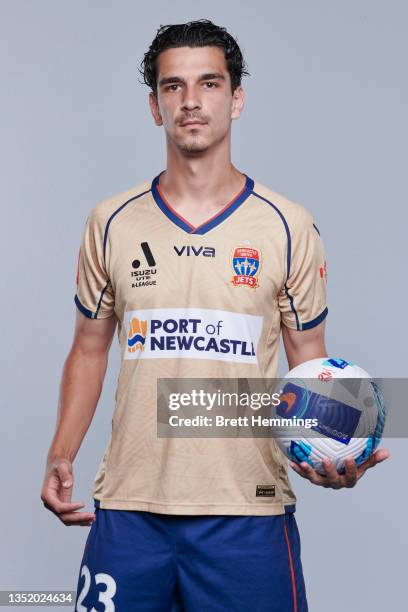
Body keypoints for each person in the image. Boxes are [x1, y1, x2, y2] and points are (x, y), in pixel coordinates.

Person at [41, 19, 390, 611]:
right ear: (155, 106)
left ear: (237, 98)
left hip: (246, 513)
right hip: (130, 509)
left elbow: (311, 368)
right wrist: (60, 453)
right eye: (173, 87)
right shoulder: (112, 221)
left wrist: (333, 452)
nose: (191, 101)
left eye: (208, 83)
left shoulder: (287, 225)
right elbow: (89, 347)